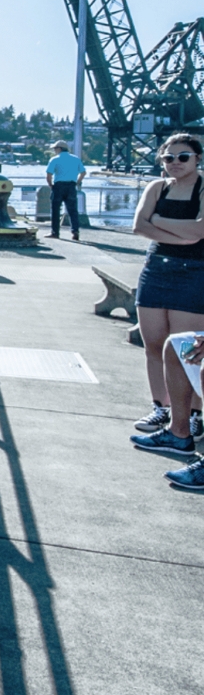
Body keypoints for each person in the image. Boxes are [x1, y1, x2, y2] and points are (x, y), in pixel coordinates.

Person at [129, 134, 204, 460]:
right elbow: (139, 226)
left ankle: (193, 416)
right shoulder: (157, 188)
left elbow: (200, 232)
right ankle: (161, 407)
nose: (174, 163)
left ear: (197, 159)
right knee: (155, 344)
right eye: (168, 158)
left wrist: (157, 221)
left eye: (182, 157)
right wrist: (176, 229)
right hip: (157, 269)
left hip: (195, 270)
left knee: (186, 348)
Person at [45, 140, 86, 241]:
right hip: (71, 186)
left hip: (58, 186)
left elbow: (49, 175)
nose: (54, 150)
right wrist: (77, 182)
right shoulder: (76, 159)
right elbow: (83, 172)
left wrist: (51, 185)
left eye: (55, 148)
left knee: (55, 210)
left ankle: (55, 232)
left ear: (60, 149)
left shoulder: (54, 160)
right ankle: (75, 231)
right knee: (73, 210)